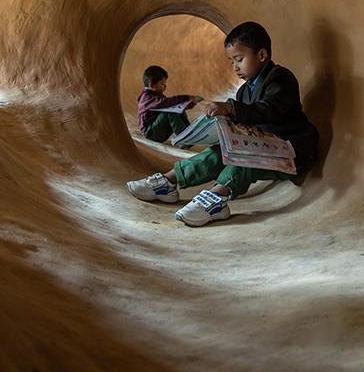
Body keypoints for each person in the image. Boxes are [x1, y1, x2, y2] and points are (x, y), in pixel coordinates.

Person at [125, 22, 319, 226]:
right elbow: (245, 122)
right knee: (222, 150)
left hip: (294, 151)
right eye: (231, 61)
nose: (235, 67)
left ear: (262, 55)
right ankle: (169, 181)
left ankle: (217, 197)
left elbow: (268, 109)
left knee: (245, 157)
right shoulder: (244, 91)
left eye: (239, 59)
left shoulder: (281, 79)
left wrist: (232, 109)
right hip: (263, 146)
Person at [137, 65, 202, 143]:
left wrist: (186, 106)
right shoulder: (146, 98)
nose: (165, 86)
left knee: (178, 110)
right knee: (170, 111)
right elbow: (167, 102)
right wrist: (187, 98)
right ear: (152, 85)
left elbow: (169, 106)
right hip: (150, 133)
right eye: (162, 84)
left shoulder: (157, 94)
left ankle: (189, 133)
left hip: (159, 131)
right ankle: (185, 139)